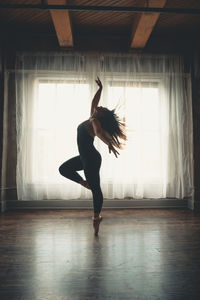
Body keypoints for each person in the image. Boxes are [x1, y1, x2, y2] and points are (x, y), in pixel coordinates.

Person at [59, 77, 126, 236]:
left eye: (102, 108)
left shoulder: (95, 121)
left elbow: (98, 132)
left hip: (91, 158)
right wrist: (100, 88)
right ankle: (84, 183)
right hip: (85, 157)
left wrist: (108, 143)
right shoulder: (92, 116)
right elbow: (94, 102)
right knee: (63, 169)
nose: (100, 106)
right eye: (101, 106)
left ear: (101, 116)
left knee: (96, 189)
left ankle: (96, 216)